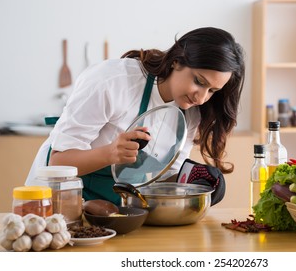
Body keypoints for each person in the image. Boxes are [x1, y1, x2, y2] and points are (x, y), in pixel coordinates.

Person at [25, 27, 245, 205]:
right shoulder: (113, 81)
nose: (202, 97)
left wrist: (192, 180)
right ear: (176, 60)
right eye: (199, 81)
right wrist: (110, 153)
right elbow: (58, 161)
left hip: (115, 210)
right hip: (57, 201)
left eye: (212, 91)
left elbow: (162, 176)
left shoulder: (191, 113)